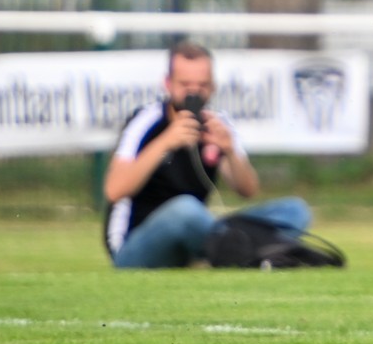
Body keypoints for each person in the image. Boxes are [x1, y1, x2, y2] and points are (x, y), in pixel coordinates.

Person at [102, 40, 312, 268]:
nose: (194, 91)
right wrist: (166, 142)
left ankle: (233, 251)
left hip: (196, 235)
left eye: (202, 85)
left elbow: (248, 190)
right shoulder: (146, 121)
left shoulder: (216, 124)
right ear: (168, 84)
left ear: (213, 87)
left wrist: (229, 151)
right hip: (135, 247)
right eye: (185, 84)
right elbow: (114, 190)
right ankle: (251, 252)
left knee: (294, 211)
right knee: (185, 210)